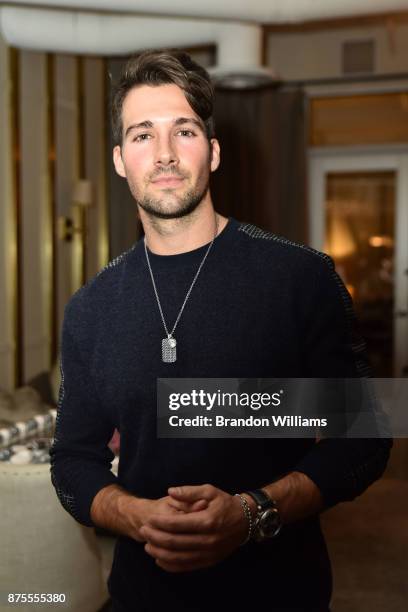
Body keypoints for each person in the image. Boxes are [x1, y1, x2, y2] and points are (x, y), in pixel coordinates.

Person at [50, 49, 392, 612]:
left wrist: (251, 511)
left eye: (182, 130)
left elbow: (366, 437)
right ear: (119, 160)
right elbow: (71, 463)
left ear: (211, 152)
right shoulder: (89, 308)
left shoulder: (301, 277)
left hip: (281, 594)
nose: (162, 154)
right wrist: (137, 515)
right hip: (142, 597)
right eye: (141, 135)